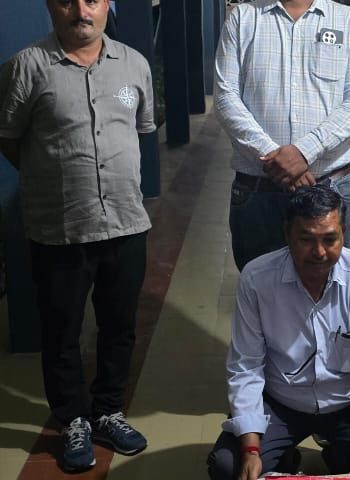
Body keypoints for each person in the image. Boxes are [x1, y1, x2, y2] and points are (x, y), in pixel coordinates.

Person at [0, 0, 155, 472]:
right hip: (61, 230)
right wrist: (54, 175)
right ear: (52, 6)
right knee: (61, 332)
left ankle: (107, 410)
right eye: (68, 0)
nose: (81, 11)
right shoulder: (26, 67)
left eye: (92, 0)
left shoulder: (135, 64)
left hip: (126, 224)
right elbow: (8, 137)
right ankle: (72, 420)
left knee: (119, 327)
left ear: (106, 5)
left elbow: (139, 130)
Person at [207, 185, 350, 480]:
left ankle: (340, 454)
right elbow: (246, 366)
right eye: (306, 239)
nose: (319, 252)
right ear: (287, 234)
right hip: (281, 403)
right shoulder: (257, 279)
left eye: (330, 239)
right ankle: (285, 458)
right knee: (227, 467)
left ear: (343, 234)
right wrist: (250, 450)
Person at [214, 0, 350, 270]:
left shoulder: (348, 20)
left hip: (332, 188)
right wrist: (276, 158)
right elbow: (225, 98)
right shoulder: (243, 19)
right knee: (262, 286)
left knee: (333, 288)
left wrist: (303, 152)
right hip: (259, 193)